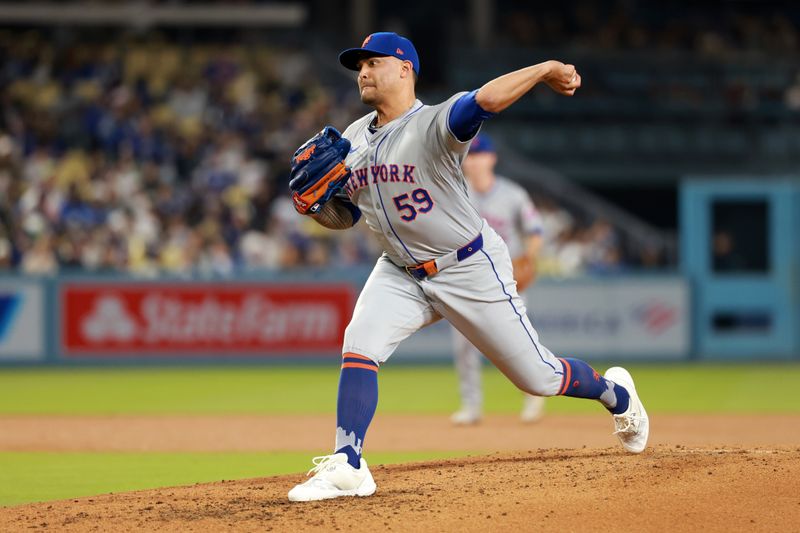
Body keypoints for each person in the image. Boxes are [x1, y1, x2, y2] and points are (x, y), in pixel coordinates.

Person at [288, 32, 649, 503]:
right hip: (400, 270)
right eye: (358, 65)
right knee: (359, 343)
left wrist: (543, 69)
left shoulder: (435, 124)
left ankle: (615, 394)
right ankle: (349, 463)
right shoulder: (351, 138)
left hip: (468, 265)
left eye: (373, 63)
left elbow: (484, 100)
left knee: (537, 378)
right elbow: (348, 216)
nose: (363, 72)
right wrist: (316, 209)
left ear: (404, 69)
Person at [450, 134, 546, 425]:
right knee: (463, 347)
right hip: (466, 280)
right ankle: (471, 406)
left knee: (519, 343)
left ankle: (535, 395)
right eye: (471, 156)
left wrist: (528, 259)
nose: (476, 161)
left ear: (492, 158)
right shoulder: (454, 192)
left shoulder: (513, 194)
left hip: (507, 279)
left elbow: (535, 231)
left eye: (481, 155)